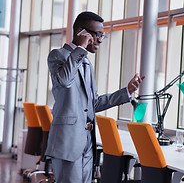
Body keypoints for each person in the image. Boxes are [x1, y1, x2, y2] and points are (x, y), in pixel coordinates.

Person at [46, 11, 144, 182]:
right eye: (97, 34)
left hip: (88, 142)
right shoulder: (58, 55)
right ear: (81, 32)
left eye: (102, 35)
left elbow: (94, 103)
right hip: (67, 142)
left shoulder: (86, 62)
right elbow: (63, 81)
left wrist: (126, 91)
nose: (100, 39)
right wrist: (80, 48)